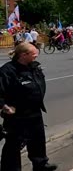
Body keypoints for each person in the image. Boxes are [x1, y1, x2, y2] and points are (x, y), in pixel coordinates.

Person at [0, 43, 58, 171]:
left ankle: (40, 164)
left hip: (34, 112)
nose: (36, 56)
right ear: (23, 55)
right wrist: (4, 106)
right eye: (34, 54)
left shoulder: (34, 67)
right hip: (17, 116)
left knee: (37, 140)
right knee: (13, 145)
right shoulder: (8, 71)